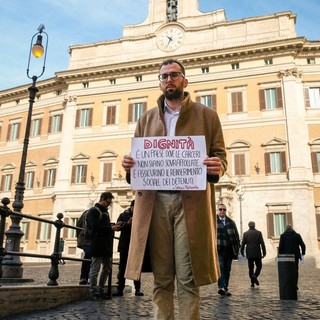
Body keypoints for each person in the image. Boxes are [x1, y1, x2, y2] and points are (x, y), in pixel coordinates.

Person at [122, 59, 227, 319]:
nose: (169, 79)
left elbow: (221, 157)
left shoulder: (207, 115)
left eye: (174, 75)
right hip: (154, 203)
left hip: (190, 203)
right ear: (159, 83)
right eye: (164, 76)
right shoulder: (145, 119)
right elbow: (136, 166)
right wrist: (128, 166)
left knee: (188, 276)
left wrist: (219, 166)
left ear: (185, 81)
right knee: (162, 276)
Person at [87, 192, 122, 300]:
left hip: (106, 244)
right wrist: (111, 228)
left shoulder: (104, 212)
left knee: (107, 268)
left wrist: (114, 225)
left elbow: (104, 226)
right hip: (97, 243)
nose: (109, 204)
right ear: (102, 199)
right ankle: (93, 291)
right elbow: (95, 227)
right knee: (95, 268)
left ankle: (101, 290)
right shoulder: (93, 211)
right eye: (108, 202)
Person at [113, 200, 144, 297]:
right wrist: (128, 223)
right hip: (125, 245)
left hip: (136, 244)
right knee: (122, 268)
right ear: (132, 207)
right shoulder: (123, 215)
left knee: (136, 267)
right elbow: (118, 228)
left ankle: (137, 289)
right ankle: (120, 290)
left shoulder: (141, 215)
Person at [216, 203, 240, 296]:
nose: (222, 211)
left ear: (226, 211)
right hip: (218, 249)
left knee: (227, 269)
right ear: (218, 210)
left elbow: (236, 236)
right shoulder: (213, 221)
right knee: (221, 267)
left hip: (229, 250)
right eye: (220, 209)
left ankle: (225, 287)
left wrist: (237, 248)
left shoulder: (231, 222)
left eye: (224, 209)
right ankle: (221, 287)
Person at [278, 225, 306, 289]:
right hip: (295, 256)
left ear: (286, 229)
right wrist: (303, 254)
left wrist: (279, 256)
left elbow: (280, 247)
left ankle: (288, 284)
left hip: (286, 256)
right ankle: (295, 284)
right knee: (295, 270)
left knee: (286, 270)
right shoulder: (297, 235)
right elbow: (303, 245)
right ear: (292, 229)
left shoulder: (283, 236)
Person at [240, 221, 266, 287]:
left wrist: (242, 252)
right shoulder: (258, 233)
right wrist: (264, 252)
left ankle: (252, 282)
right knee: (259, 266)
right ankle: (255, 276)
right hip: (257, 253)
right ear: (254, 225)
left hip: (250, 254)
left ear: (249, 226)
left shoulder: (245, 234)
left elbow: (243, 244)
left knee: (251, 268)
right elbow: (262, 243)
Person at [77, 210, 93, 285]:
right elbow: (78, 225)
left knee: (91, 256)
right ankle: (84, 277)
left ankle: (88, 277)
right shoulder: (88, 213)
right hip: (85, 239)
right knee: (88, 254)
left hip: (91, 239)